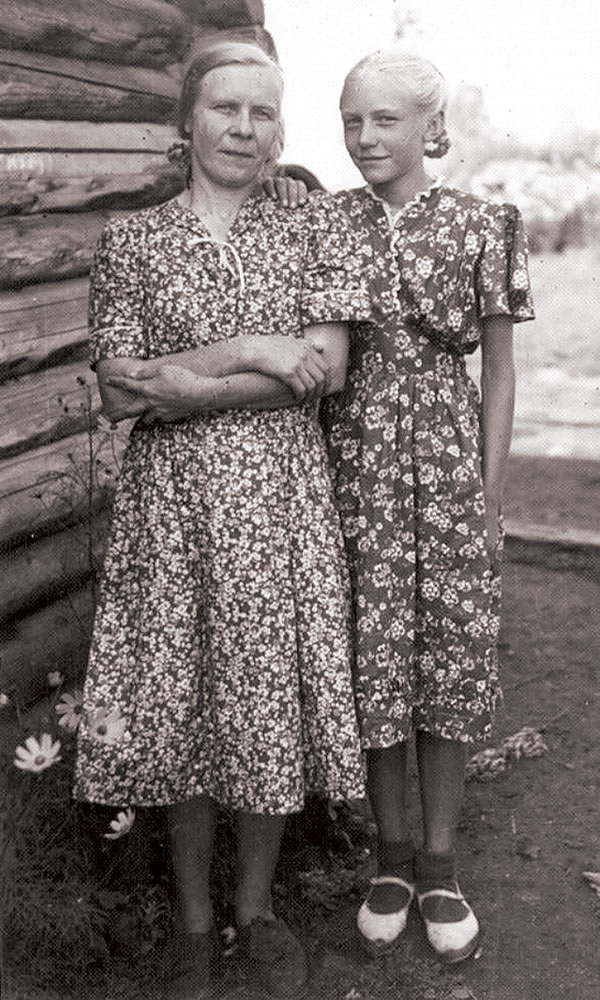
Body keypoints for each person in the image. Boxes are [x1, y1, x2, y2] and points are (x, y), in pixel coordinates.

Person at [73, 41, 371, 999]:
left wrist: (185, 385)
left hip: (278, 504)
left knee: (262, 699)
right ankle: (197, 924)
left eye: (262, 112)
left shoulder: (314, 225)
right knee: (186, 701)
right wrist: (252, 347)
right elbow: (120, 395)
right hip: (172, 512)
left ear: (279, 129)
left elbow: (323, 370)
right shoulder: (133, 240)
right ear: (187, 120)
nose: (243, 128)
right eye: (225, 108)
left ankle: (257, 909)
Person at [270, 48, 534, 964]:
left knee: (448, 656)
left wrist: (489, 496)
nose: (365, 137)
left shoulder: (484, 223)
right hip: (353, 466)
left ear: (432, 126)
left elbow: (499, 371)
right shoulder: (325, 220)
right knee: (374, 655)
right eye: (351, 120)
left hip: (449, 464)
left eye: (385, 119)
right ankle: (389, 862)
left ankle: (440, 865)